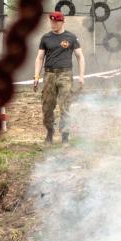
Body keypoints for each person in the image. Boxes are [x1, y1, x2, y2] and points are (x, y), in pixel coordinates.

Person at [33, 11, 85, 144]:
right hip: (49, 75)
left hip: (65, 75)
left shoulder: (71, 37)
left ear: (62, 22)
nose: (53, 24)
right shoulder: (45, 38)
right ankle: (50, 132)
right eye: (51, 21)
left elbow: (80, 57)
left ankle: (65, 136)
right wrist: (36, 76)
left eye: (55, 21)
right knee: (47, 106)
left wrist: (81, 76)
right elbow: (39, 58)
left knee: (65, 105)